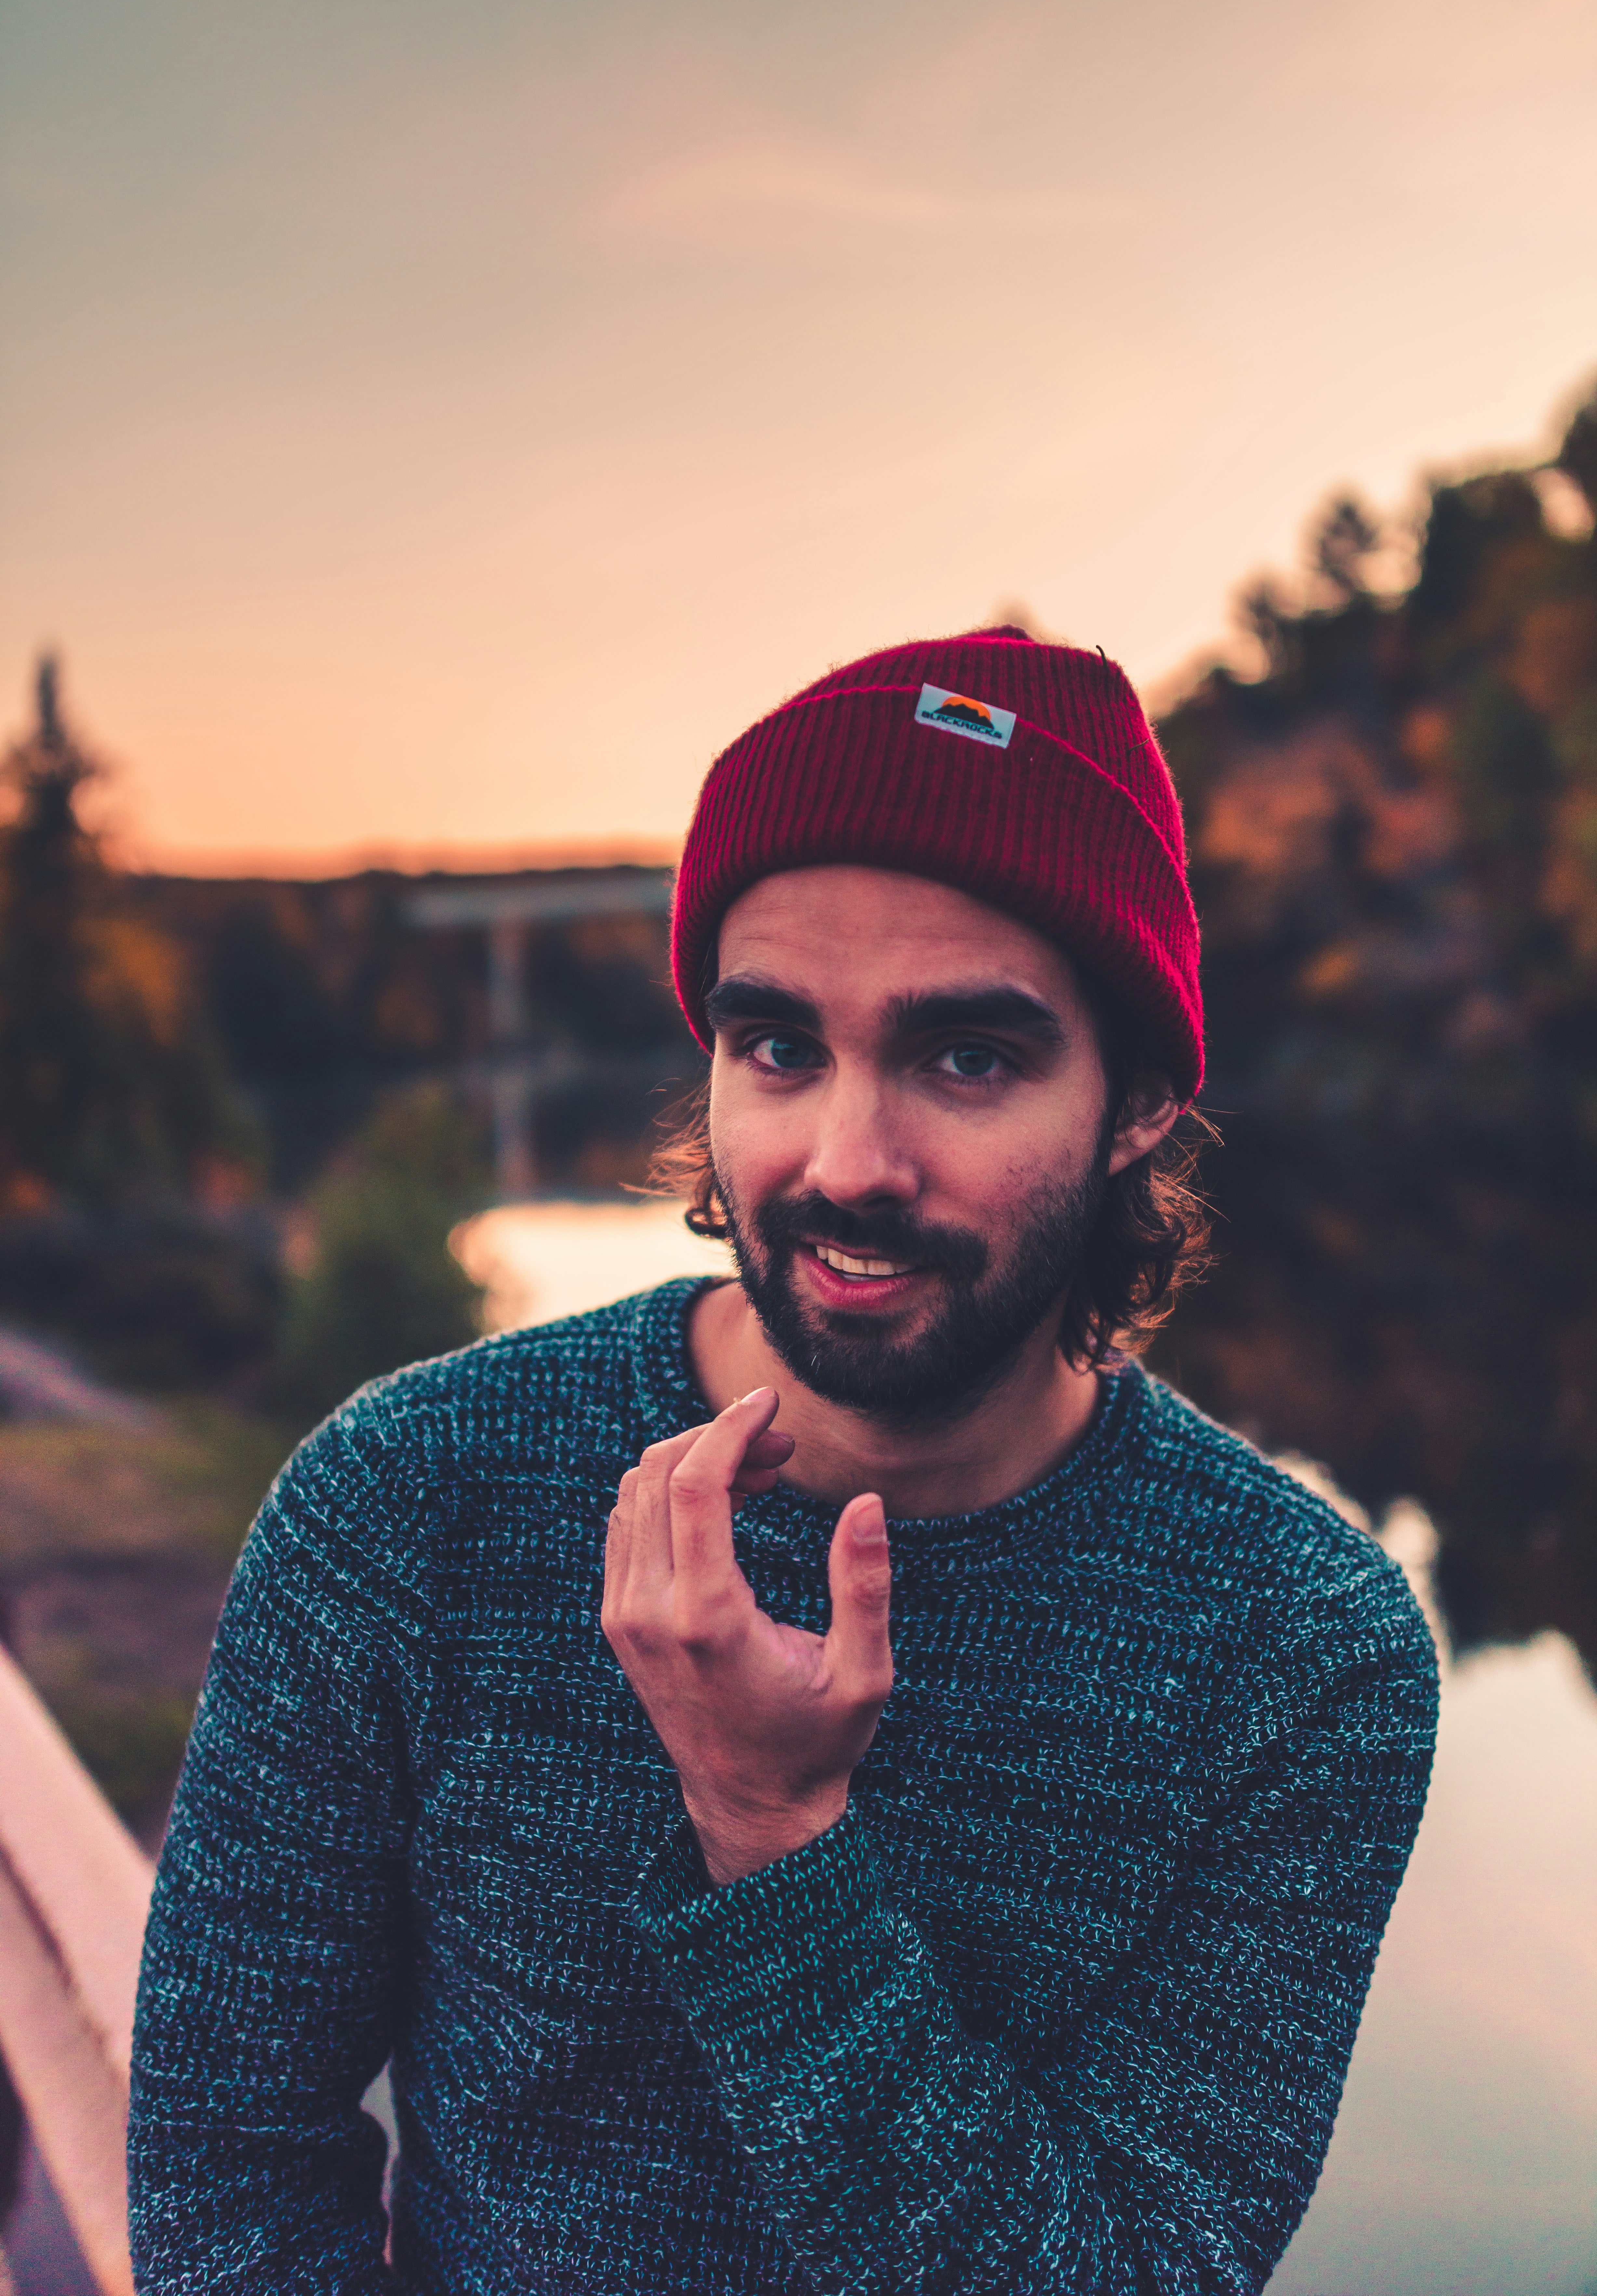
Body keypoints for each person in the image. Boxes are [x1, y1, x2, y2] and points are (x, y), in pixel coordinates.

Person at [128, 628, 1438, 2294]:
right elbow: (229, 2160)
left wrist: (771, 1825)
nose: (845, 1160)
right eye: (777, 1047)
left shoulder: (1299, 1649)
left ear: (1138, 1105)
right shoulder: (405, 1496)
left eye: (967, 1056)